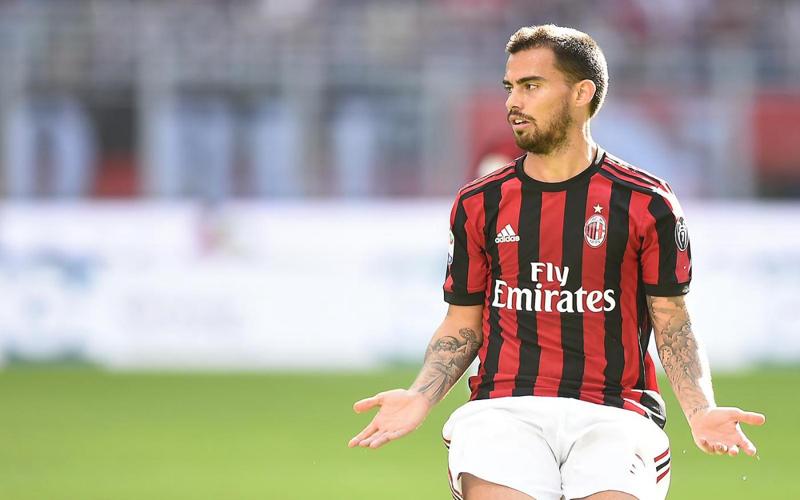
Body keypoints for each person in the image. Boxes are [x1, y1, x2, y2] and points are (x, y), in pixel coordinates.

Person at [348, 24, 765, 500]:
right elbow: (462, 323)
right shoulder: (479, 202)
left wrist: (700, 409)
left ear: (581, 93)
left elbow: (672, 322)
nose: (513, 101)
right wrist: (420, 395)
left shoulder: (648, 203)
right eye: (510, 87)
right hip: (503, 410)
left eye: (531, 86)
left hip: (616, 414)